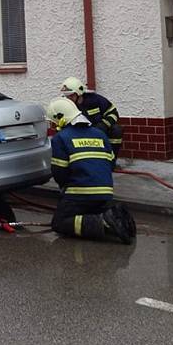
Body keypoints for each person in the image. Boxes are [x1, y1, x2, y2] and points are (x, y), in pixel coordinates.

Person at [46, 97, 136, 244]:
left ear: (60, 118)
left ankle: (104, 222)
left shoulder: (61, 138)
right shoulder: (100, 134)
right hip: (106, 192)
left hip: (80, 193)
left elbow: (59, 172)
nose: (52, 125)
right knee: (87, 212)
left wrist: (66, 189)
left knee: (59, 222)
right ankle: (115, 216)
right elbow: (110, 163)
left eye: (53, 121)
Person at [60, 76, 123, 161]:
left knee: (116, 130)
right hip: (80, 133)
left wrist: (104, 125)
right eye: (66, 96)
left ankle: (111, 159)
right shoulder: (66, 106)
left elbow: (113, 112)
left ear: (79, 93)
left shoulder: (95, 100)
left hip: (99, 130)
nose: (68, 99)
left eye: (71, 96)